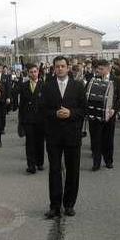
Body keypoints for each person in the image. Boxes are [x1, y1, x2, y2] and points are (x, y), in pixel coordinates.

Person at [42, 56, 87, 218]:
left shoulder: (78, 86)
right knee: (54, 171)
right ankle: (54, 205)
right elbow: (42, 111)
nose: (60, 69)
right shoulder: (47, 87)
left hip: (72, 134)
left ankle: (69, 204)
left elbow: (84, 109)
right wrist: (54, 113)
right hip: (54, 135)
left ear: (68, 68)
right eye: (57, 67)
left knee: (73, 170)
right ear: (53, 69)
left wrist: (71, 113)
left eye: (62, 66)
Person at [85, 59, 120, 170]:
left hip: (109, 115)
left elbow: (119, 97)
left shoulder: (115, 80)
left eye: (101, 69)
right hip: (95, 113)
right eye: (98, 69)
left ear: (108, 68)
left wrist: (114, 110)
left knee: (108, 139)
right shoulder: (92, 79)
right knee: (96, 139)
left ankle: (108, 160)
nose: (99, 71)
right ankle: (96, 163)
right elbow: (86, 93)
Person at [18, 63, 45, 174]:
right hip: (28, 119)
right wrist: (21, 121)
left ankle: (40, 163)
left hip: (41, 119)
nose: (33, 74)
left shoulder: (44, 85)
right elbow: (22, 105)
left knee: (40, 142)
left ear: (38, 72)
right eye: (31, 72)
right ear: (28, 73)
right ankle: (31, 165)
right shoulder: (24, 86)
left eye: (35, 71)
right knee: (30, 143)